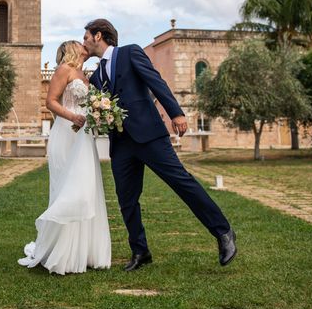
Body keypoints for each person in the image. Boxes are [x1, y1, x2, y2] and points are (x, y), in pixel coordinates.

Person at [83, 18, 237, 271]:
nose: (84, 42)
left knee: (182, 182)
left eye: (86, 37)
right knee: (126, 200)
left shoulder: (130, 52)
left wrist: (175, 113)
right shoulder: (97, 75)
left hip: (149, 135)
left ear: (98, 36)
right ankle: (140, 251)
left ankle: (223, 232)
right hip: (121, 144)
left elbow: (156, 81)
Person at [18, 40, 111, 275]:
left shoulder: (85, 73)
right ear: (72, 48)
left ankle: (86, 250)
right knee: (67, 187)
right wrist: (72, 117)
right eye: (82, 43)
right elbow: (50, 102)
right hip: (67, 132)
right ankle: (62, 251)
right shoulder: (63, 70)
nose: (86, 44)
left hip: (84, 135)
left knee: (87, 188)